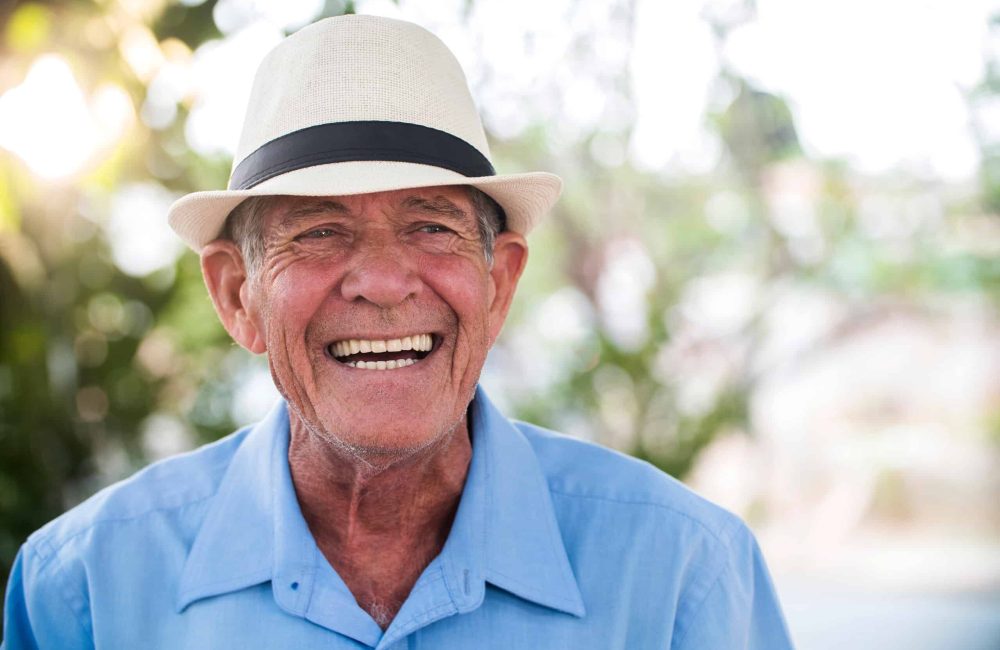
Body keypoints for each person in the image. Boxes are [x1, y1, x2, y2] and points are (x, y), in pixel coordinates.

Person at [2, 14, 794, 649]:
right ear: (238, 294)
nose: (382, 283)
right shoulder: (84, 592)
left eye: (431, 227)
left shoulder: (684, 572)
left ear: (501, 281)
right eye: (317, 231)